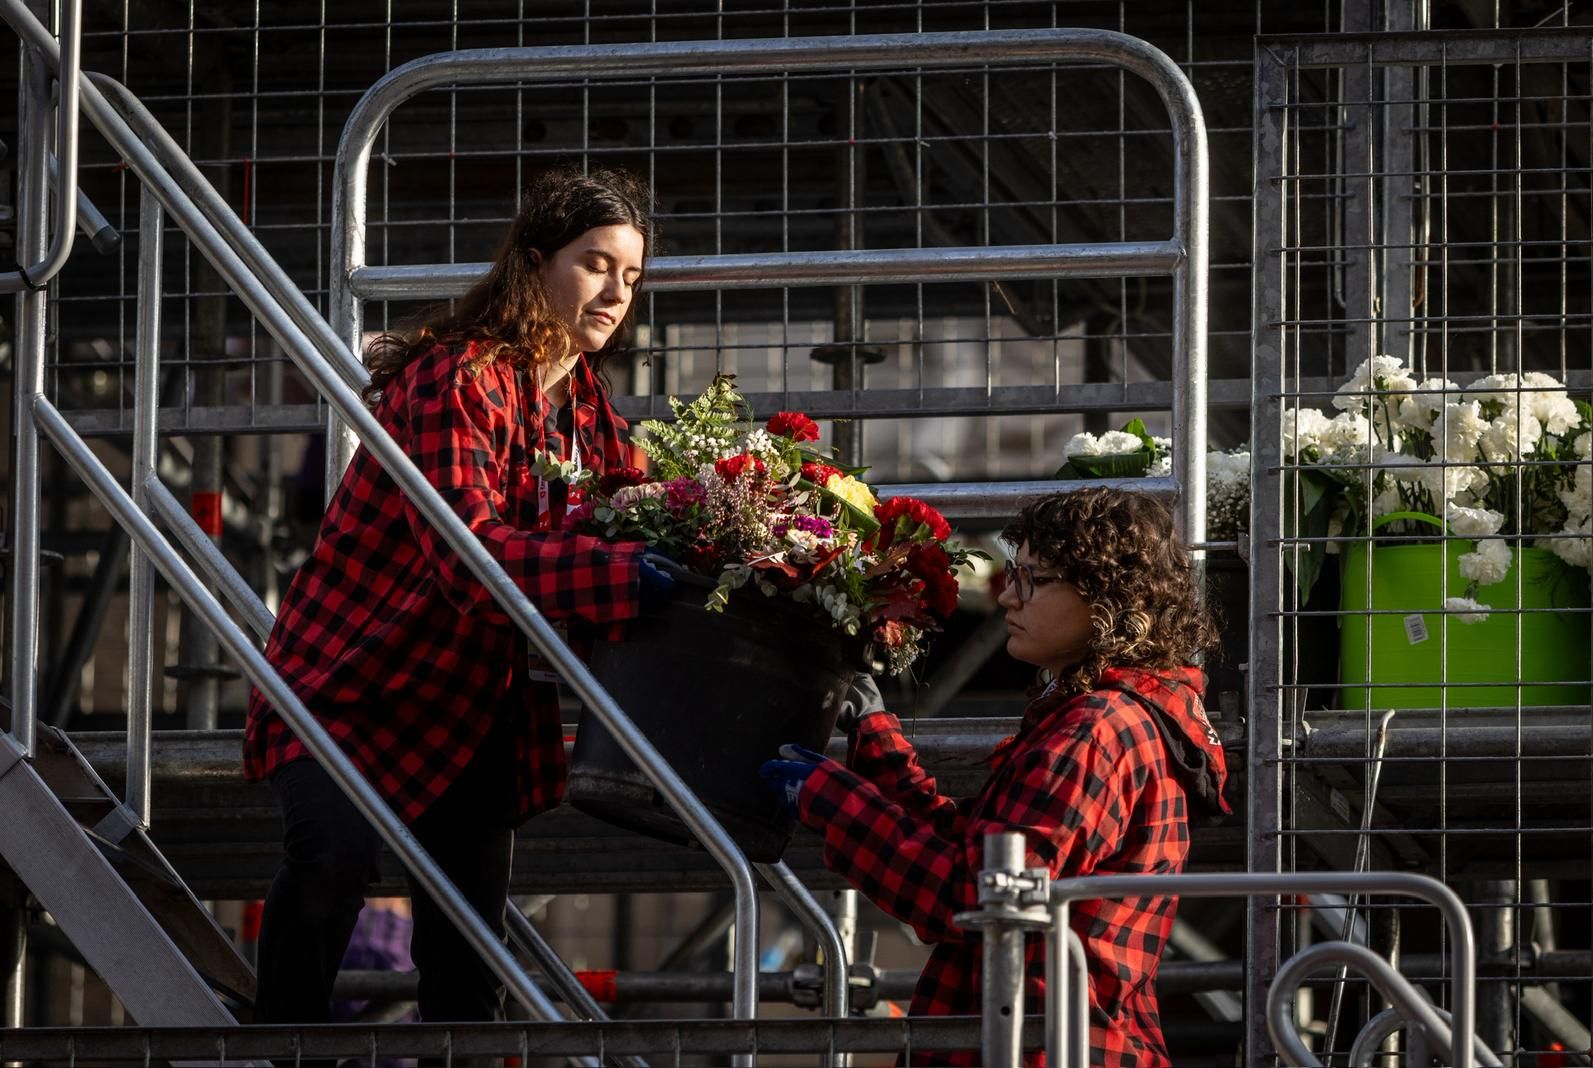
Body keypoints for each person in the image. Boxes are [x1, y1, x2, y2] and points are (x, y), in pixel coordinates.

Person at [243, 163, 665, 1023]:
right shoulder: (460, 377)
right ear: (534, 261)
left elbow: (635, 517)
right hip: (353, 682)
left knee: (467, 943)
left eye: (630, 275)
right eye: (595, 264)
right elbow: (466, 558)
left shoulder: (589, 409)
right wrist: (620, 576)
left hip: (472, 700)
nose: (616, 292)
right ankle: (274, 1046)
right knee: (332, 858)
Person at [762, 487, 1230, 1066]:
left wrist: (828, 797)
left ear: (1107, 595)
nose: (1008, 595)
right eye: (1013, 572)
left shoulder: (1098, 727)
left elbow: (973, 898)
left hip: (1044, 1048)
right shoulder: (1107, 716)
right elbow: (979, 856)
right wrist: (877, 738)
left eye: (1034, 577)